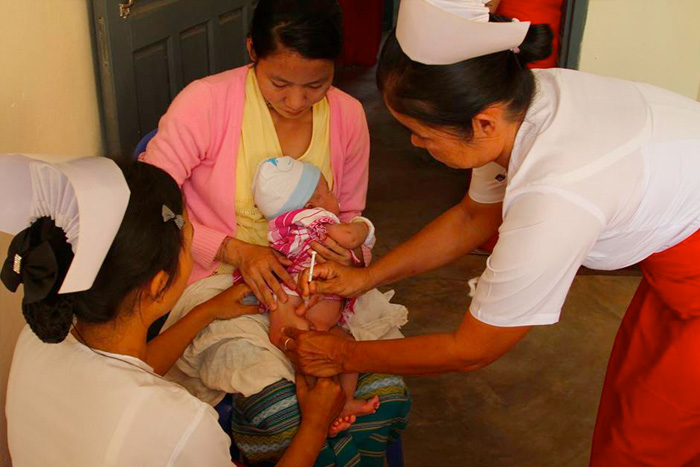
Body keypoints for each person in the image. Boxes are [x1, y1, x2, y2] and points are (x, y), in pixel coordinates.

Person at [285, 0, 700, 464]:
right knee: (633, 394)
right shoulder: (518, 108)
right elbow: (472, 217)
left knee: (649, 442)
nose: (414, 144)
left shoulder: (555, 195)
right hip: (676, 267)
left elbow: (472, 349)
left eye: (421, 133)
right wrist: (367, 278)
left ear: (480, 123)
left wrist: (345, 355)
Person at [139, 0, 410, 463]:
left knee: (386, 399)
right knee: (281, 414)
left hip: (318, 287)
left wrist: (346, 248)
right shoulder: (206, 102)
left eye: (316, 85)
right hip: (224, 287)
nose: (296, 101)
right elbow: (148, 204)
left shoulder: (347, 115)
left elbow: (353, 214)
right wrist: (234, 249)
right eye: (279, 83)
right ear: (251, 52)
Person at [1, 156, 347, 467]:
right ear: (158, 285)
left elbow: (122, 374)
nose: (191, 231)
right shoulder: (178, 421)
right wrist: (315, 425)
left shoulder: (39, 336)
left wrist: (206, 312)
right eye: (184, 227)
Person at [253, 156, 380, 433]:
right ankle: (333, 403)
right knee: (338, 354)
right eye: (328, 191)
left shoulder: (283, 227)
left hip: (295, 310)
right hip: (306, 306)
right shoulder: (315, 220)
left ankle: (333, 404)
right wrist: (363, 227)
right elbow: (348, 237)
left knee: (321, 356)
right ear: (311, 204)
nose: (335, 197)